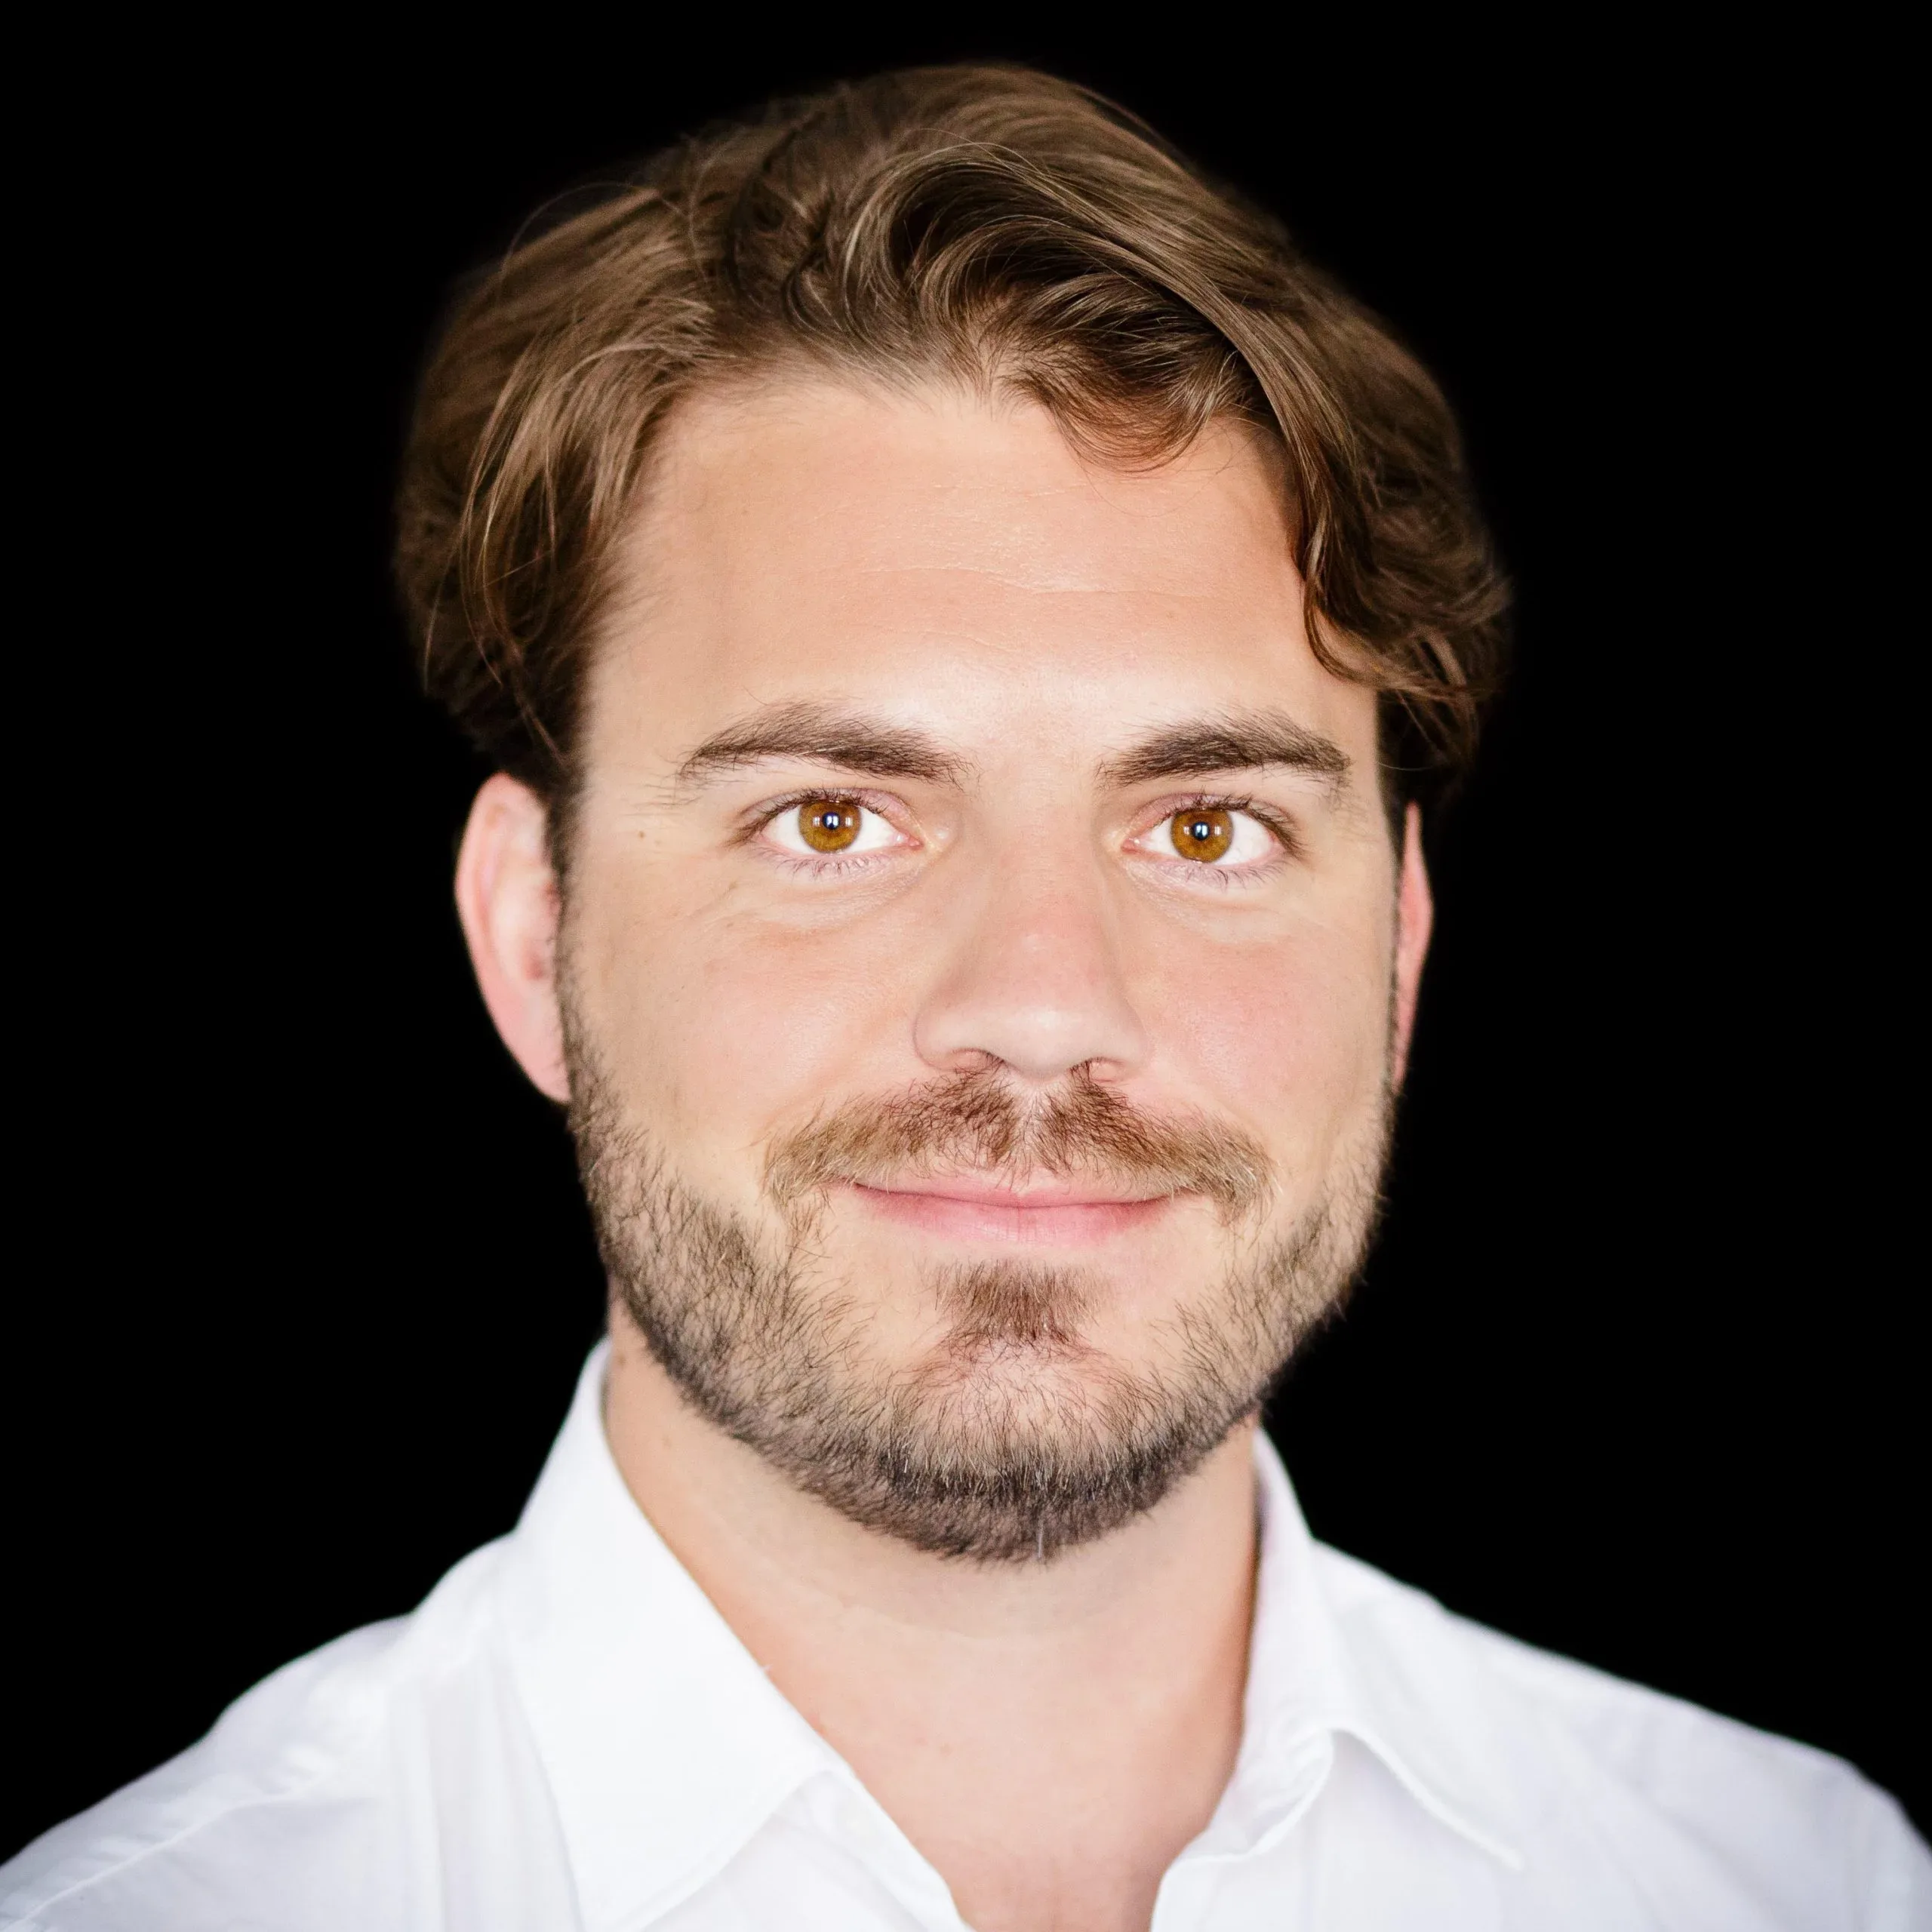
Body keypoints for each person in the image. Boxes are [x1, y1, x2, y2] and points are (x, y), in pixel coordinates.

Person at [5, 63, 1925, 1932]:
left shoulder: (1802, 1888)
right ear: (531, 933)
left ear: (1398, 948)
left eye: (1203, 829)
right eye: (833, 819)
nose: (1040, 1005)